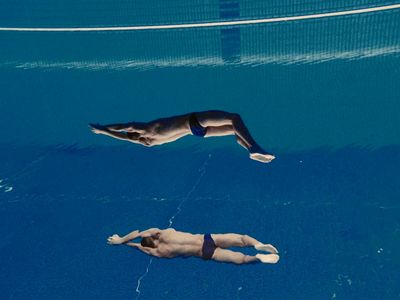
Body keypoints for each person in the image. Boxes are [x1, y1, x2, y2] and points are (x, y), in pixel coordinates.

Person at [89, 110, 275, 163]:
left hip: (197, 133)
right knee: (235, 118)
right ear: (136, 130)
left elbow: (123, 136)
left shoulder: (148, 142)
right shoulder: (146, 128)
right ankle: (252, 147)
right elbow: (124, 126)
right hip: (194, 121)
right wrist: (103, 127)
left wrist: (104, 131)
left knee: (235, 129)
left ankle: (245, 146)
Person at [107, 228, 279, 264]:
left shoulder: (160, 252)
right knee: (242, 239)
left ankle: (259, 258)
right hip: (207, 239)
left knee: (240, 259)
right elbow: (138, 232)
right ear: (152, 236)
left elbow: (139, 246)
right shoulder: (164, 232)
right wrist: (122, 238)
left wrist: (126, 244)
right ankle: (258, 245)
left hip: (204, 253)